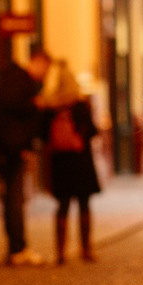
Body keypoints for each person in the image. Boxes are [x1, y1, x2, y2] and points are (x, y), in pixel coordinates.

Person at [0, 46, 51, 266]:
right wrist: (34, 105)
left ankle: (17, 246)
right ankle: (18, 248)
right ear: (38, 62)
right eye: (45, 68)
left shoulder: (17, 80)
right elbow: (14, 114)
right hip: (11, 149)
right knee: (14, 199)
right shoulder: (19, 81)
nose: (44, 74)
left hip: (9, 147)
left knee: (13, 199)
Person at [39, 61, 101, 264]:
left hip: (61, 163)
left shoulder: (50, 106)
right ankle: (86, 249)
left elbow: (42, 135)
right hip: (81, 161)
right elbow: (92, 130)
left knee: (62, 206)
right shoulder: (81, 104)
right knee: (84, 205)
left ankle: (60, 253)